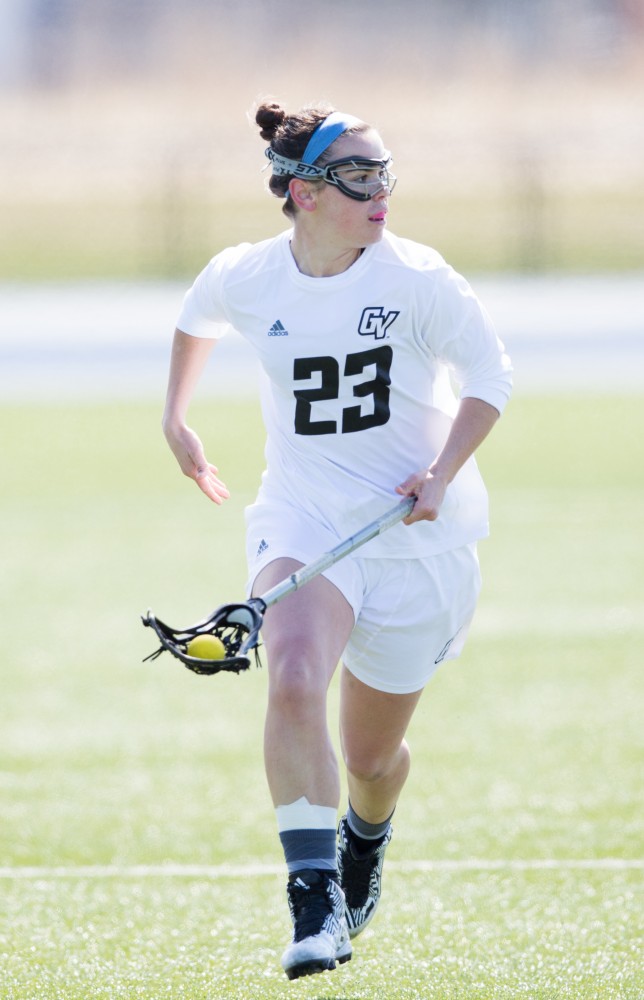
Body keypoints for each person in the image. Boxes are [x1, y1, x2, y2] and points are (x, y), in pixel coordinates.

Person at [161, 99, 513, 982]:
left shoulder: (419, 280)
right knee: (291, 677)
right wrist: (176, 419)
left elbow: (492, 377)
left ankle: (365, 835)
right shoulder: (249, 276)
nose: (380, 189)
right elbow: (195, 318)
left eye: (385, 170)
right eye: (358, 174)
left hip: (413, 541)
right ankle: (314, 904)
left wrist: (440, 475)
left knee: (372, 758)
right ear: (303, 192)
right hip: (304, 517)